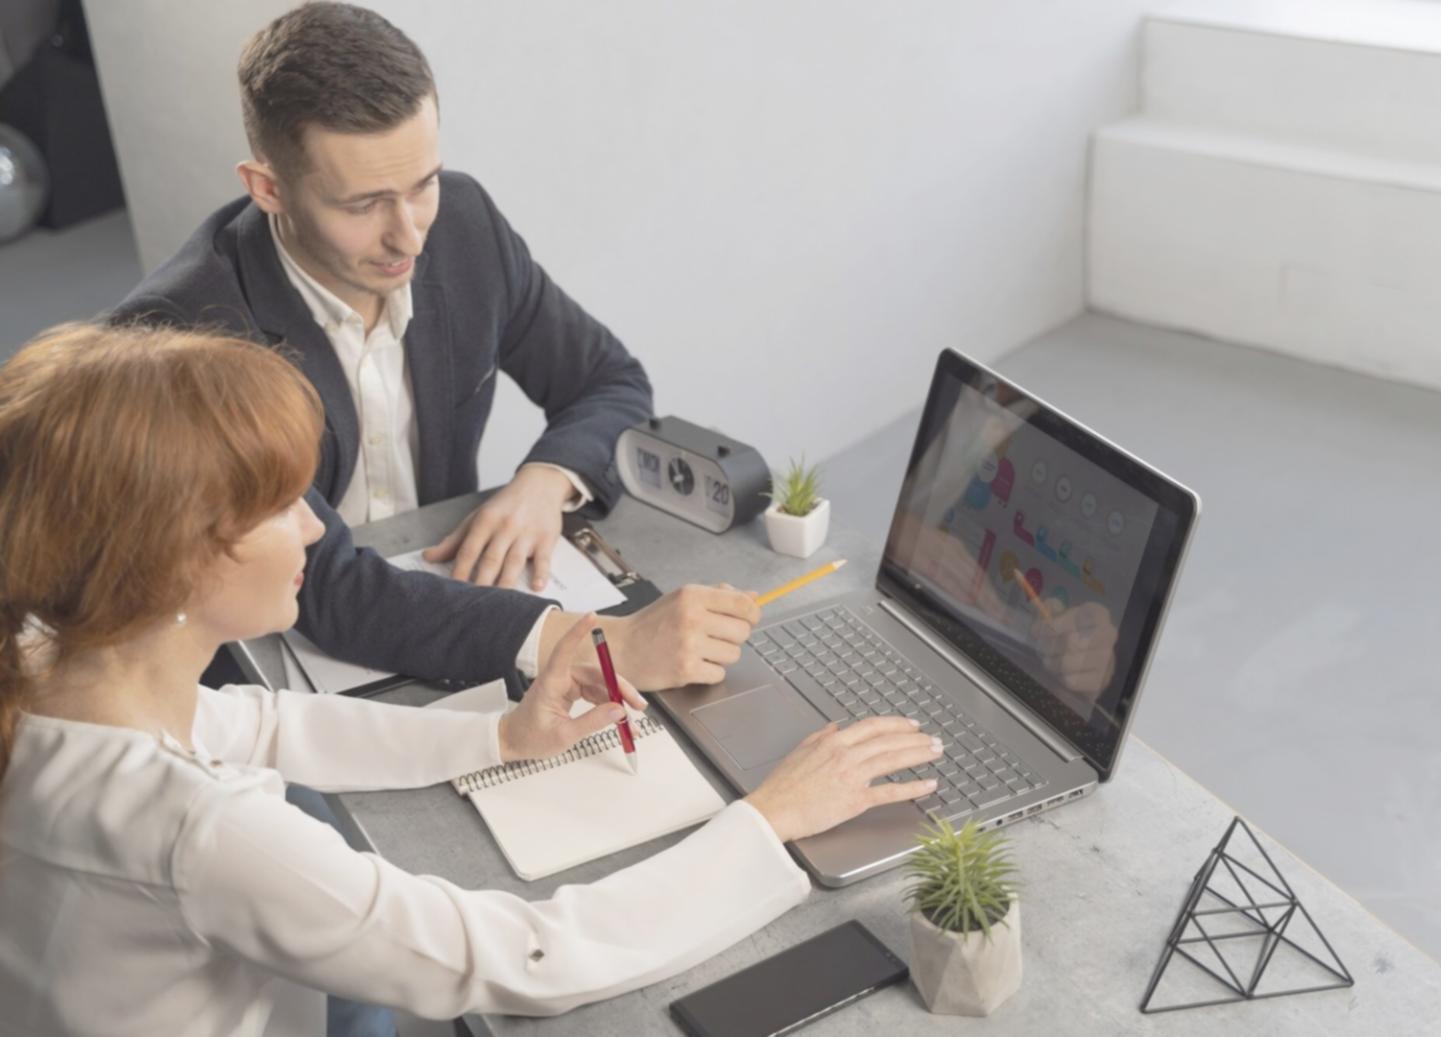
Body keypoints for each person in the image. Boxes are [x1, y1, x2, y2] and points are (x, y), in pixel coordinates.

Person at [0, 323, 944, 1036]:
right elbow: (521, 956)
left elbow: (257, 722)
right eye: (283, 505)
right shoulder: (199, 832)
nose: (319, 530)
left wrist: (501, 735)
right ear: (171, 564)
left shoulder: (55, 667)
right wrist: (769, 820)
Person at [113, 1, 754, 695]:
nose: (410, 237)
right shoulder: (182, 337)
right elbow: (333, 593)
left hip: (450, 609)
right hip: (268, 666)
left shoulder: (464, 222)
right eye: (362, 205)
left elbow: (608, 379)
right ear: (268, 189)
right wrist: (599, 646)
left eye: (422, 187)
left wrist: (546, 479)